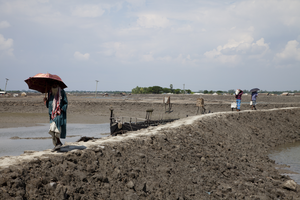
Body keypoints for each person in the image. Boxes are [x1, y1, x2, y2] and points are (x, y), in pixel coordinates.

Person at [43, 80, 68, 151]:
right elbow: (49, 105)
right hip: (51, 114)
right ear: (51, 85)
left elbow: (66, 103)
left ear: (58, 85)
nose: (54, 85)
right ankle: (57, 144)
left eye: (56, 84)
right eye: (53, 84)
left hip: (58, 114)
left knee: (55, 128)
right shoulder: (49, 92)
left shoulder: (62, 92)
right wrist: (46, 101)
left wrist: (61, 109)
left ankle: (58, 143)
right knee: (53, 130)